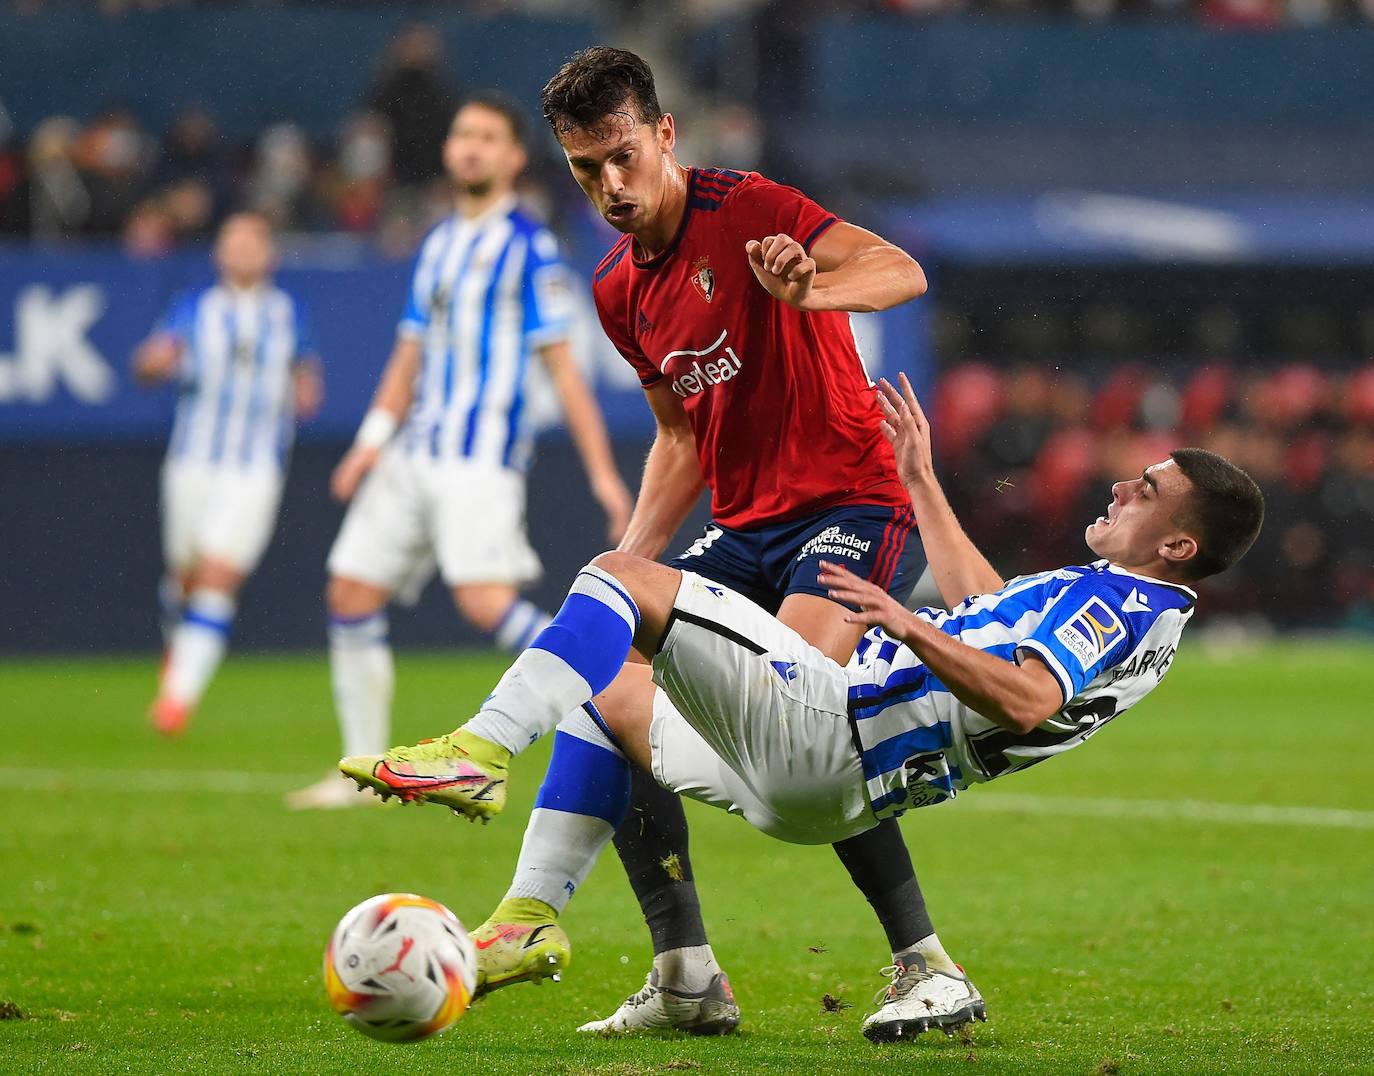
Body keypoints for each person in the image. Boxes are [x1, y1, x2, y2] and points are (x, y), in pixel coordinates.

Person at [343, 374, 1265, 1039]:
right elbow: (985, 609)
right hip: (828, 781)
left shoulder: (1122, 601)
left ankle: (478, 746)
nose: (1121, 484)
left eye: (1146, 490)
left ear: (1178, 544)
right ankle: (567, 930)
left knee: (622, 576)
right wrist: (923, 483)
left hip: (829, 731)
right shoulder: (1139, 610)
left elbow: (1024, 698)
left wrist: (908, 624)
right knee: (602, 683)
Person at [342, 46, 953, 1040]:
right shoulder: (619, 288)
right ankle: (668, 968)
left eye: (624, 156)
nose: (611, 186)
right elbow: (679, 435)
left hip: (850, 506)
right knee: (604, 670)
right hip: (749, 527)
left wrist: (815, 290)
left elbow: (901, 269)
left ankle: (926, 962)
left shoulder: (748, 208)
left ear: (666, 134)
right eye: (587, 170)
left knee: (793, 717)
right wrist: (622, 579)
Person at [287, 94, 632, 810]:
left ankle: (613, 691)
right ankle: (360, 767)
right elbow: (409, 355)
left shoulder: (529, 247)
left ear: (511, 157)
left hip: (480, 457)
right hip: (414, 452)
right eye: (462, 135)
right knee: (350, 591)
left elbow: (563, 368)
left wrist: (603, 475)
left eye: (487, 137)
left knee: (484, 602)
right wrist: (369, 444)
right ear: (449, 152)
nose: (471, 147)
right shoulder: (440, 241)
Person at [135, 212, 323, 736]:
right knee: (187, 576)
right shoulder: (194, 309)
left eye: (251, 243)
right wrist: (152, 364)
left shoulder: (287, 315)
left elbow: (306, 371)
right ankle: (179, 645)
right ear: (219, 253)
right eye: (232, 243)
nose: (241, 252)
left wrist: (306, 391)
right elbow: (150, 362)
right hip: (192, 463)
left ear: (270, 255)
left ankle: (176, 701)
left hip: (255, 469)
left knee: (220, 575)